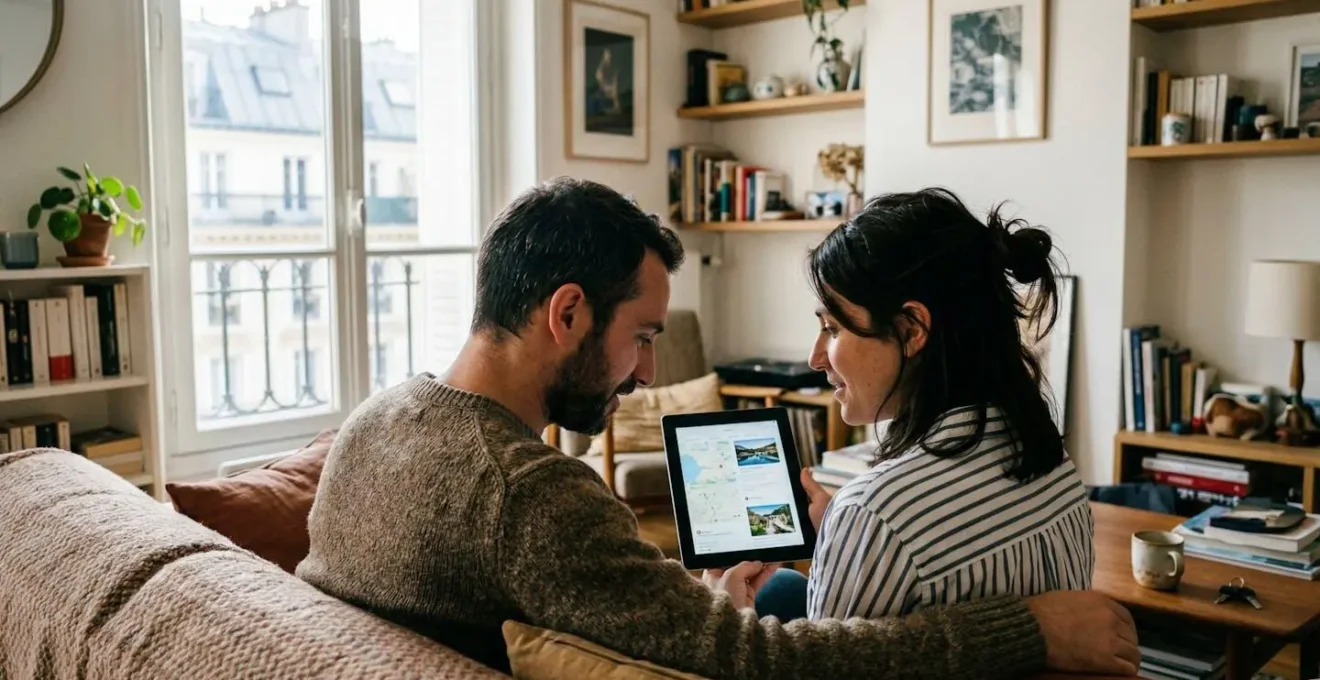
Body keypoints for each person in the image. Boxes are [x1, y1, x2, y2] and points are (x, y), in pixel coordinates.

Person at [298, 177, 1140, 679]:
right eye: (644, 337)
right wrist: (1029, 626)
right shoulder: (531, 496)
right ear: (566, 313)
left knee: (766, 587)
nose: (649, 373)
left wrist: (687, 606)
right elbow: (775, 664)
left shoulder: (371, 422)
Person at [791, 187, 1092, 622]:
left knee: (773, 593)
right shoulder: (1053, 464)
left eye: (832, 328)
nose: (815, 357)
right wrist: (840, 541)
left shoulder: (875, 513)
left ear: (912, 329)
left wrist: (853, 532)